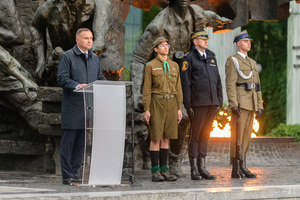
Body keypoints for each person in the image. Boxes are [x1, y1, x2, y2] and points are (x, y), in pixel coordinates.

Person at [131, 0, 231, 178]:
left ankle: (173, 160)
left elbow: (207, 17)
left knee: (183, 118)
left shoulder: (197, 13)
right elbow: (139, 58)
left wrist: (218, 20)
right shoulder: (158, 25)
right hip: (163, 77)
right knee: (167, 123)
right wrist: (138, 93)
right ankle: (158, 159)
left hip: (185, 75)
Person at [57, 28, 106, 185]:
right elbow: (62, 79)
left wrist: (109, 86)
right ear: (77, 40)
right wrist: (78, 85)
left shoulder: (94, 58)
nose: (90, 41)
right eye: (86, 38)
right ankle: (67, 174)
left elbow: (99, 78)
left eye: (91, 38)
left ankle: (75, 173)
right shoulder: (67, 56)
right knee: (69, 142)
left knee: (81, 143)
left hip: (88, 107)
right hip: (73, 107)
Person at [180, 29, 223, 180]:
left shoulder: (211, 56)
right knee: (195, 136)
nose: (206, 41)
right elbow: (186, 84)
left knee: (205, 135)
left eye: (207, 39)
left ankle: (202, 167)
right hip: (198, 104)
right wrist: (188, 105)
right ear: (195, 42)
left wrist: (219, 99)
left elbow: (217, 79)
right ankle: (194, 169)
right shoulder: (189, 59)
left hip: (212, 103)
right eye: (202, 39)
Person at [142, 37, 183, 182]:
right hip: (156, 102)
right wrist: (146, 109)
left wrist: (179, 108)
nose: (166, 47)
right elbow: (146, 89)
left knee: (166, 138)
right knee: (156, 137)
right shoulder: (150, 66)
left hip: (171, 102)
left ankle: (165, 170)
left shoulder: (174, 66)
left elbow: (178, 88)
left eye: (167, 45)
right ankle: (155, 171)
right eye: (162, 45)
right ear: (156, 49)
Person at [225, 30, 263, 178]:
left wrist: (259, 105)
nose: (249, 43)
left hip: (252, 102)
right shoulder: (232, 60)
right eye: (246, 41)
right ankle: (235, 167)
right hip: (241, 103)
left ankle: (243, 164)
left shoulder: (252, 62)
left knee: (247, 135)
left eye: (249, 42)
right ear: (238, 44)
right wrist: (233, 104)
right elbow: (230, 84)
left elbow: (258, 85)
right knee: (237, 136)